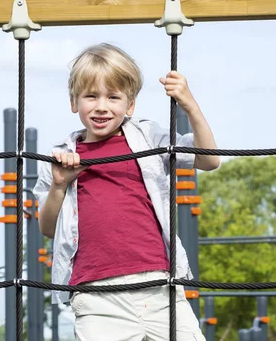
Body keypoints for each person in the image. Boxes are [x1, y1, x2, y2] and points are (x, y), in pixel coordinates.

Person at [33, 43, 219, 340]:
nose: (102, 106)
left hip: (159, 286)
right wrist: (59, 185)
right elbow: (47, 228)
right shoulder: (62, 157)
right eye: (91, 96)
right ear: (74, 102)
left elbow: (209, 160)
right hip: (97, 295)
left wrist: (190, 105)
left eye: (113, 97)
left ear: (130, 105)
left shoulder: (148, 138)